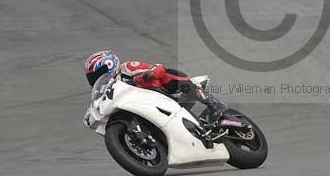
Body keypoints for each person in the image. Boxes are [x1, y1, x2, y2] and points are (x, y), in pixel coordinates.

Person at [83, 50, 226, 125]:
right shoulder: (107, 91)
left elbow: (159, 68)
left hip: (162, 92)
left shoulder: (126, 68)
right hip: (145, 107)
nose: (95, 78)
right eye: (92, 76)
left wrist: (148, 75)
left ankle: (214, 105)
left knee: (169, 75)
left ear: (108, 65)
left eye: (97, 73)